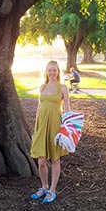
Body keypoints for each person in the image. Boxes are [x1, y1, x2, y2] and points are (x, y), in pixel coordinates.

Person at [30, 60, 71, 203]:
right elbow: (38, 109)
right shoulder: (42, 87)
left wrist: (67, 130)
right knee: (41, 161)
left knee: (55, 158)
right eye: (50, 70)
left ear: (58, 72)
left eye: (54, 70)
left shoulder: (63, 88)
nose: (52, 72)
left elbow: (68, 110)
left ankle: (52, 190)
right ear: (46, 72)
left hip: (55, 126)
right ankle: (44, 186)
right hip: (41, 126)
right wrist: (36, 129)